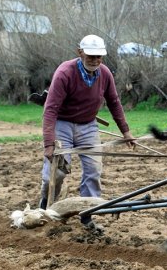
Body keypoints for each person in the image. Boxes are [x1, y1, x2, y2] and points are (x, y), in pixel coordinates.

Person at [39, 34, 136, 230]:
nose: (95, 60)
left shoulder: (105, 74)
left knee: (93, 170)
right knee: (55, 173)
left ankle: (87, 215)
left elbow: (114, 103)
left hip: (88, 125)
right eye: (91, 56)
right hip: (62, 124)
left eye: (99, 57)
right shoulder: (65, 73)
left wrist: (126, 132)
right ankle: (45, 206)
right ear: (80, 52)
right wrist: (49, 144)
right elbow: (50, 109)